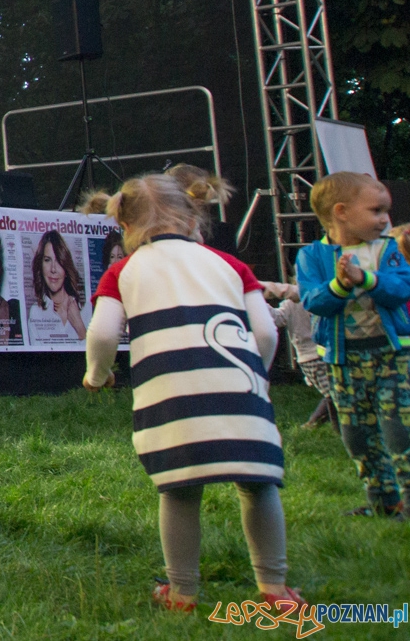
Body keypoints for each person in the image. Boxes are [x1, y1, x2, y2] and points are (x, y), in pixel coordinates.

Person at [84, 173, 297, 612]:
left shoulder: (122, 271)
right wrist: (260, 377)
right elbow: (265, 331)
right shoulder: (231, 265)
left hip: (171, 402)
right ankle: (275, 588)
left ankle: (182, 593)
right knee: (258, 486)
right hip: (243, 393)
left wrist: (96, 374)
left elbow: (103, 333)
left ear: (124, 226)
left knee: (178, 492)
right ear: (193, 215)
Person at [297, 172, 410, 520]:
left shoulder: (388, 249)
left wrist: (366, 279)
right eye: (376, 210)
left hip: (392, 356)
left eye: (385, 211)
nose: (384, 219)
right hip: (344, 362)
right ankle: (383, 501)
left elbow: (401, 289)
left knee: (400, 430)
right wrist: (341, 285)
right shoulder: (312, 256)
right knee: (356, 434)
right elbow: (314, 300)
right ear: (342, 212)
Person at [264, 279, 337, 431]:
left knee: (335, 393)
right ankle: (313, 425)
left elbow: (278, 318)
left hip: (317, 355)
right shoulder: (295, 301)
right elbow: (278, 318)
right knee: (334, 394)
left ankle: (317, 425)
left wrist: (261, 305)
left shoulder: (301, 300)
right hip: (312, 356)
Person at [29, 230, 87, 339]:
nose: (53, 269)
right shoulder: (36, 312)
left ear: (66, 267)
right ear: (41, 267)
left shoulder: (84, 308)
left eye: (58, 261)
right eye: (47, 260)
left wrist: (80, 328)